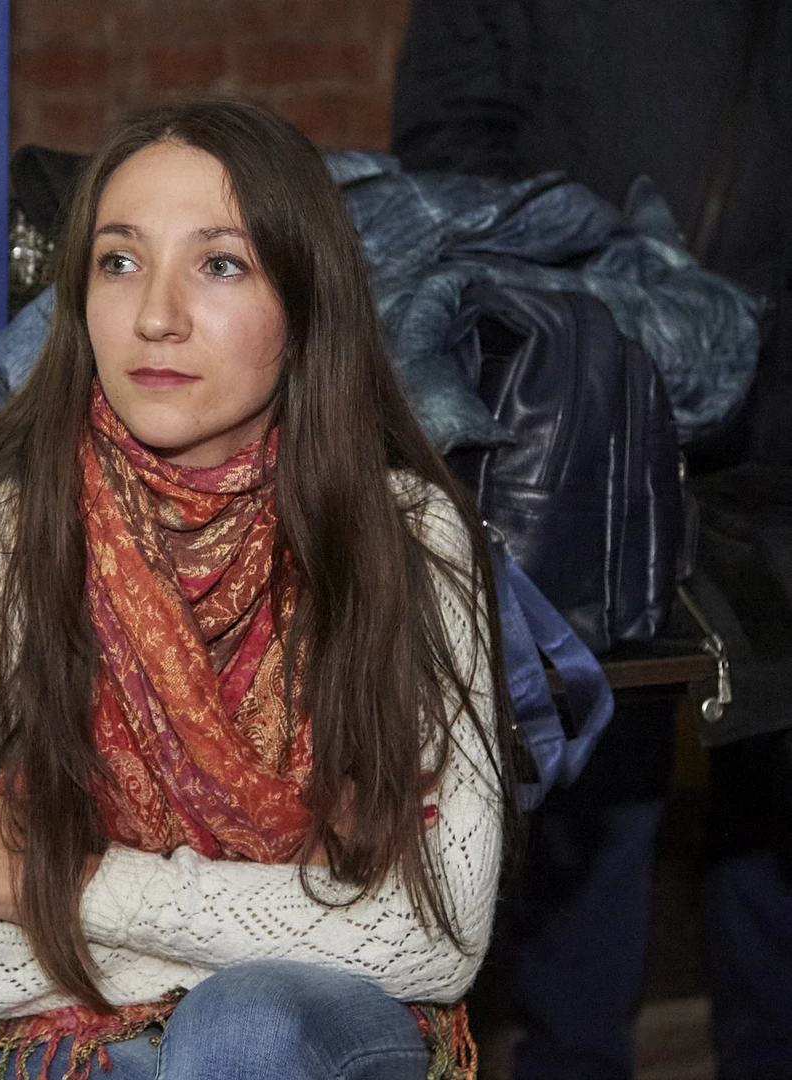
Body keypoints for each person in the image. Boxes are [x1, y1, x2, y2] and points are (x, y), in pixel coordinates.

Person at [0, 100, 518, 1080]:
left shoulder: (405, 537)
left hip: (294, 1035)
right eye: (118, 261)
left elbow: (435, 938)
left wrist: (83, 889)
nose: (156, 315)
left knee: (244, 1031)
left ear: (306, 303)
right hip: (35, 1045)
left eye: (220, 265)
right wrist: (273, 927)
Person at [393, 5, 792, 1078]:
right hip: (589, 413)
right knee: (593, 755)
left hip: (775, 422)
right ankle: (573, 1057)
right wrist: (596, 289)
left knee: (773, 768)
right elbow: (450, 156)